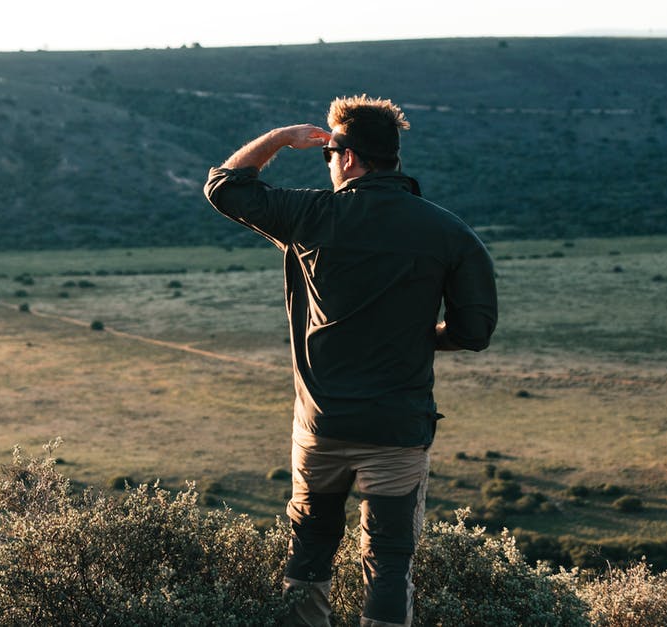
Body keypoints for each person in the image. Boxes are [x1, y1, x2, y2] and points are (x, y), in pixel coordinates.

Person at [203, 95, 498, 627]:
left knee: (309, 551)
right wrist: (410, 336)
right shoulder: (451, 233)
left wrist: (279, 138)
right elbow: (473, 332)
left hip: (323, 425)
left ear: (347, 156)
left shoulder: (312, 214)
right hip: (397, 427)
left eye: (328, 153)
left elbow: (224, 186)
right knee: (388, 563)